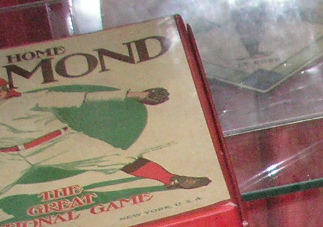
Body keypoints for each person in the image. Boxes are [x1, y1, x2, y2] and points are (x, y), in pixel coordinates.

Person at [0, 81, 210, 201]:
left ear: (5, 89)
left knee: (119, 158)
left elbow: (86, 97)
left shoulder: (28, 100)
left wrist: (137, 94)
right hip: (9, 156)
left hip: (57, 143)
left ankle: (172, 179)